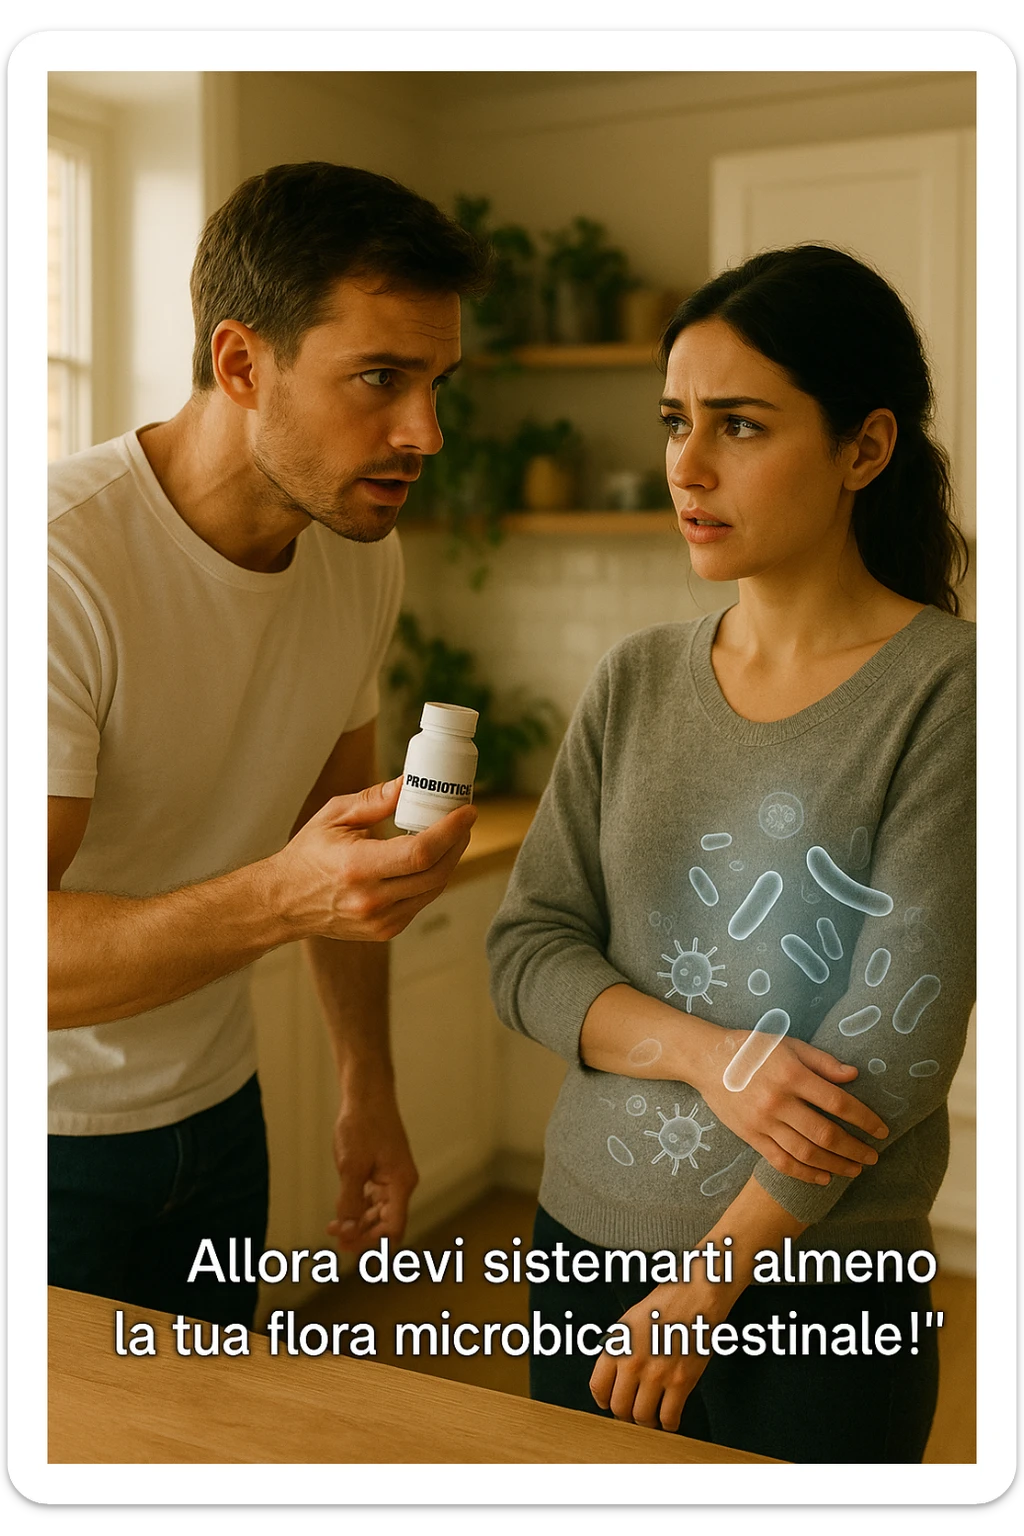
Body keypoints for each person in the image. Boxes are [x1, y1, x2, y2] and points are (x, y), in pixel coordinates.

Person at [486, 245, 975, 1464]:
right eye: (674, 423)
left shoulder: (952, 693)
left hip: (815, 1283)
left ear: (863, 450)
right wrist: (710, 1058)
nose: (685, 468)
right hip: (584, 1242)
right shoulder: (636, 677)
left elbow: (894, 1044)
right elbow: (526, 947)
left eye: (740, 426)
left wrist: (711, 1283)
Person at [48, 162, 490, 1327]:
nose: (424, 433)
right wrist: (284, 900)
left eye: (437, 383)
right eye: (381, 379)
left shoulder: (359, 551)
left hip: (218, 1113)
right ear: (242, 363)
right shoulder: (56, 568)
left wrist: (367, 1084)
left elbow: (335, 837)